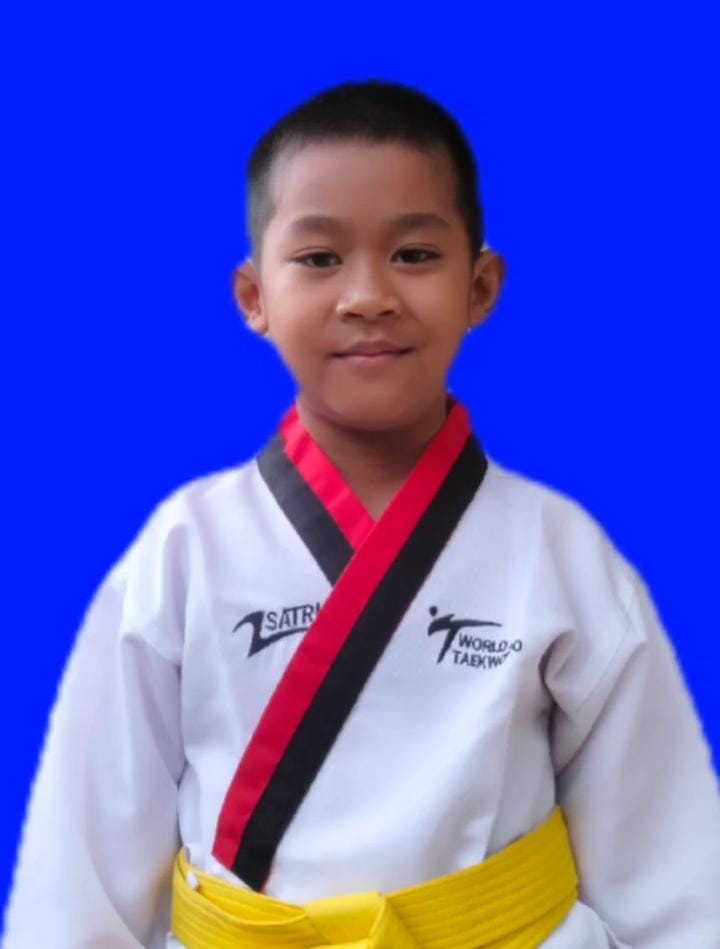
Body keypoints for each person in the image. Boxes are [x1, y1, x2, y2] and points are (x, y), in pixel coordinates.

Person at [4, 79, 720, 949]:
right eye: (319, 259)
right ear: (253, 296)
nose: (369, 295)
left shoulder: (559, 548)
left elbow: (671, 866)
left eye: (414, 254)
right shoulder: (185, 547)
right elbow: (82, 874)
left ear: (481, 287)